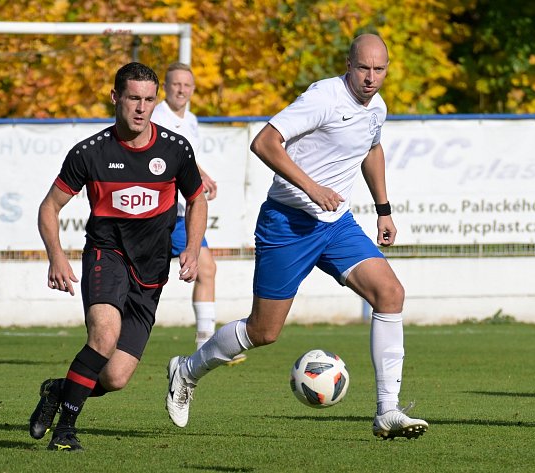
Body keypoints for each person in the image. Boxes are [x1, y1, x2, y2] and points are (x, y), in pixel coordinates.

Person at [165, 34, 429, 440]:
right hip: (288, 223)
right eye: (363, 68)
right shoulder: (324, 97)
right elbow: (264, 142)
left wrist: (384, 209)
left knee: (390, 293)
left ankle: (387, 409)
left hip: (337, 225)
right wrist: (312, 188)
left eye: (379, 70)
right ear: (348, 64)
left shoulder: (377, 108)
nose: (371, 78)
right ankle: (187, 370)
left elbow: (372, 149)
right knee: (264, 332)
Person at [29, 62, 207, 451]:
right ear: (115, 98)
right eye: (133, 98)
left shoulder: (175, 149)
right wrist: (56, 256)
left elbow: (196, 199)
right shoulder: (90, 153)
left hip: (152, 269)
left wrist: (192, 248)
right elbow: (49, 207)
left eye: (148, 99)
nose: (141, 108)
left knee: (115, 377)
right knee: (104, 336)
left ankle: (58, 391)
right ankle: (65, 432)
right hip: (106, 256)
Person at [151, 62, 245, 364]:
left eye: (187, 85)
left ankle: (207, 346)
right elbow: (167, 156)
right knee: (140, 278)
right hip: (158, 212)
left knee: (206, 269)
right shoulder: (157, 116)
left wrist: (200, 176)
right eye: (176, 84)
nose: (181, 90)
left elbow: (185, 156)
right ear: (166, 87)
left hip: (181, 213)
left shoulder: (189, 119)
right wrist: (197, 175)